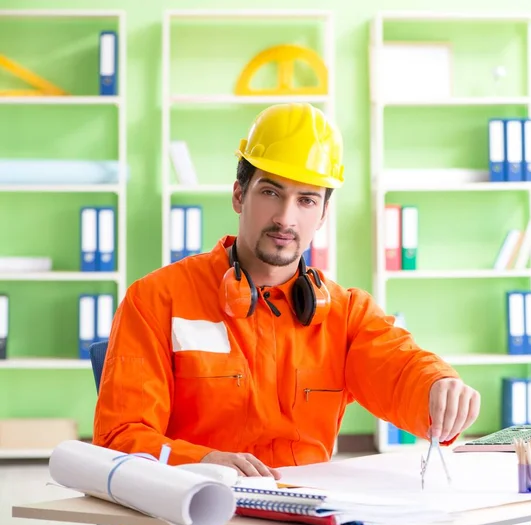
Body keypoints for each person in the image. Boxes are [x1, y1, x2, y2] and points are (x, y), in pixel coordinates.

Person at [92, 102, 480, 481]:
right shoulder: (157, 300)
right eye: (271, 192)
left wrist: (440, 388)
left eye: (307, 199)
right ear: (239, 195)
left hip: (306, 513)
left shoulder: (346, 315)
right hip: (197, 511)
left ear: (323, 214)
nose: (285, 217)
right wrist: (204, 463)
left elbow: (402, 372)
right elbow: (119, 439)